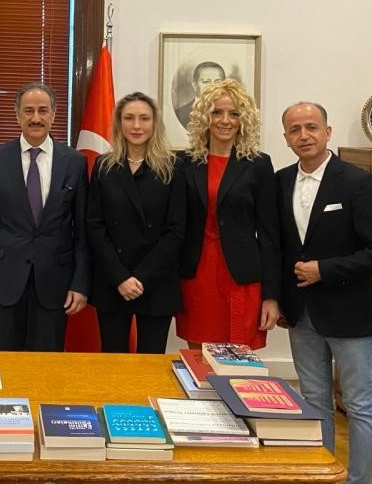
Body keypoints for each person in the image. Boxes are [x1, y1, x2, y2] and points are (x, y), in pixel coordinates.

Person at [277, 102, 372, 484]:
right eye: (295, 129)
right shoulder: (279, 182)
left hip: (349, 312)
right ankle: (323, 477)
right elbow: (279, 248)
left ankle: (359, 480)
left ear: (327, 132)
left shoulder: (356, 182)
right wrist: (279, 299)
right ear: (286, 138)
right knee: (314, 401)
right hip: (301, 314)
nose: (304, 136)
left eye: (312, 127)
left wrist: (325, 270)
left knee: (359, 405)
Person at [0, 82, 90, 351]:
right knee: (4, 364)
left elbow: (82, 230)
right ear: (17, 115)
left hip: (55, 284)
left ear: (54, 114)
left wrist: (80, 284)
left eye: (43, 110)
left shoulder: (74, 162)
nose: (36, 118)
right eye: (28, 111)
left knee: (46, 367)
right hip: (4, 284)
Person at [175, 78, 280, 349]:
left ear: (243, 120)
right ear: (204, 117)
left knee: (239, 361)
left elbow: (269, 235)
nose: (225, 120)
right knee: (199, 358)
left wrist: (271, 296)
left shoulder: (258, 164)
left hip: (241, 277)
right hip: (197, 276)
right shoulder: (184, 163)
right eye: (217, 112)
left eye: (234, 114)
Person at [86, 92, 185, 353]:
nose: (137, 125)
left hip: (156, 282)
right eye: (129, 118)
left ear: (155, 123)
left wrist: (141, 278)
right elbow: (95, 226)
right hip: (113, 281)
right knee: (113, 363)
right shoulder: (104, 166)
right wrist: (120, 277)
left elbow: (176, 230)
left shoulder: (174, 167)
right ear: (119, 123)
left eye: (144, 118)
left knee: (151, 364)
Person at [174, 61, 225, 128]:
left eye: (217, 82)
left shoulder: (233, 113)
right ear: (195, 85)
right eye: (206, 82)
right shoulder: (180, 114)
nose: (212, 86)